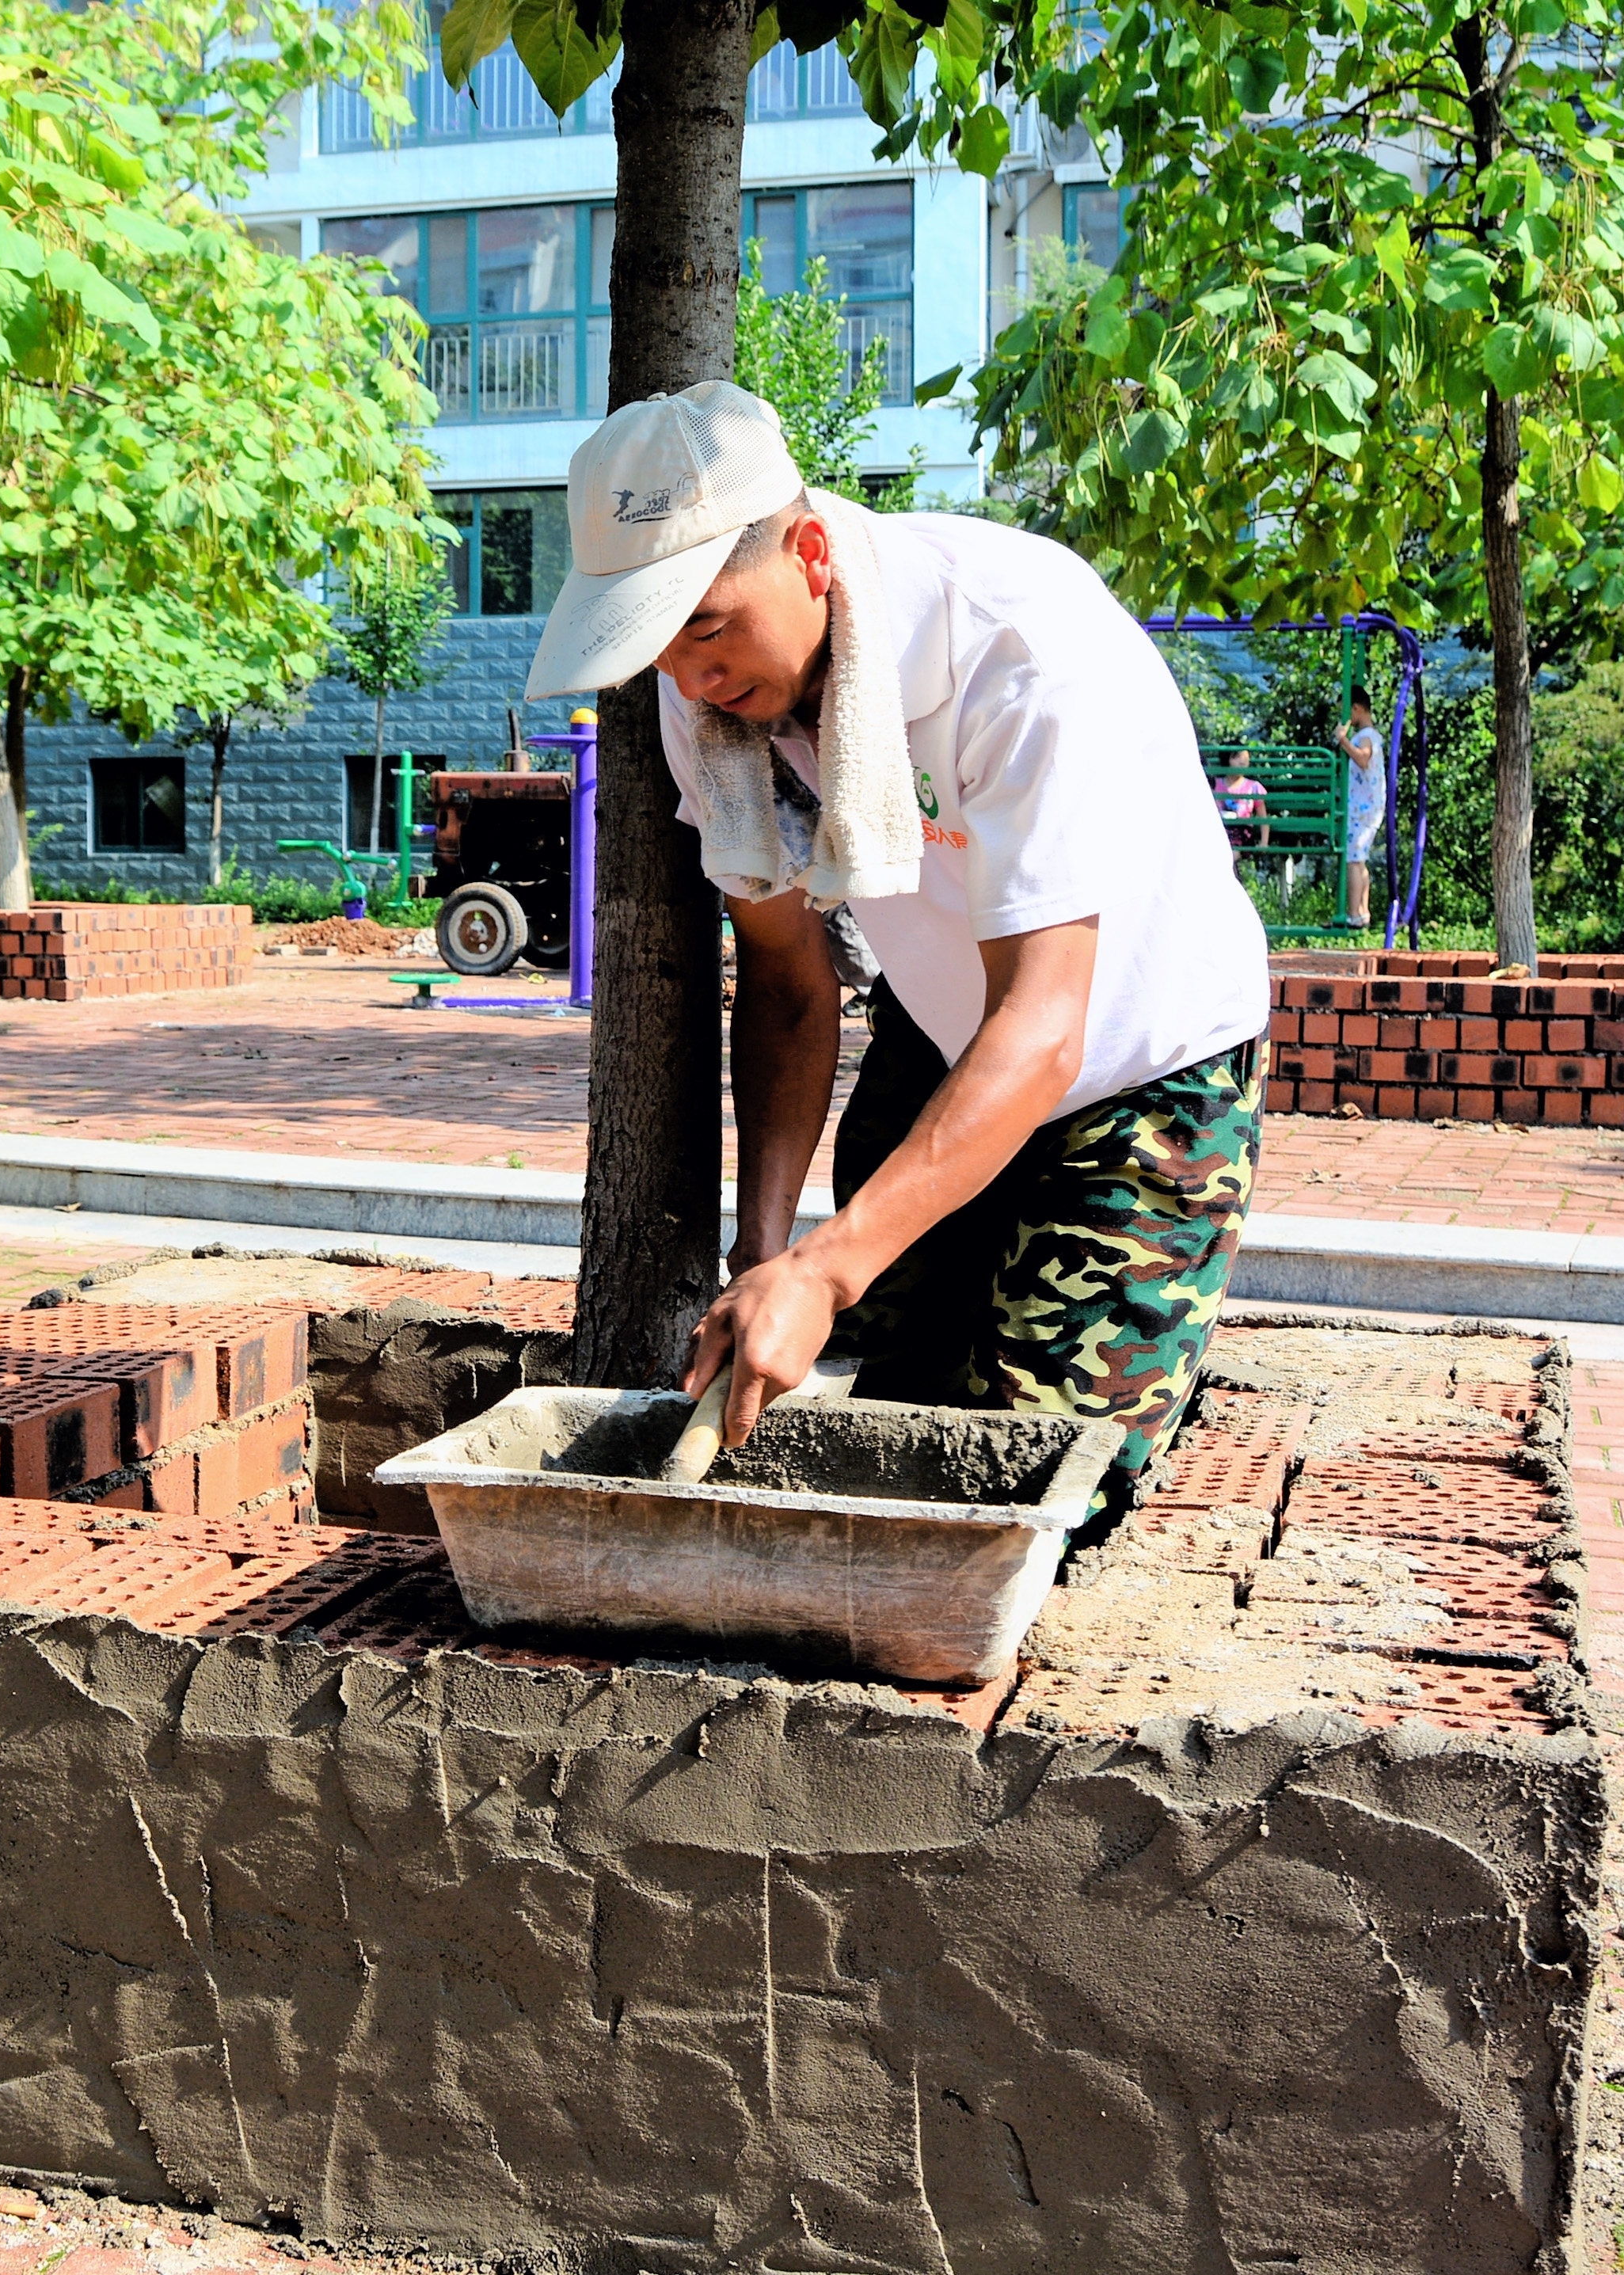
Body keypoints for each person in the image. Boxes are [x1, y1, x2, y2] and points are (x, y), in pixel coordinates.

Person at [524, 382, 1268, 1522]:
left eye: (709, 628)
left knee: (1029, 1489)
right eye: (657, 646)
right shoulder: (709, 694)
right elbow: (782, 979)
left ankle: (1147, 1341)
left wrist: (826, 1268)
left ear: (810, 551)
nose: (690, 678)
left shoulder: (1021, 648)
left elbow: (1046, 1025)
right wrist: (765, 1252)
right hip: (944, 1025)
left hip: (1138, 1066)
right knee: (896, 1414)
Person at [1337, 694, 1387, 928]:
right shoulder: (1371, 735)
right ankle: (1361, 912)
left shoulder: (1366, 737)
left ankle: (1354, 913)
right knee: (1359, 860)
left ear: (1357, 709)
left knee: (1353, 859)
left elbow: (1363, 759)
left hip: (1362, 807)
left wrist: (1343, 741)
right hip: (1367, 805)